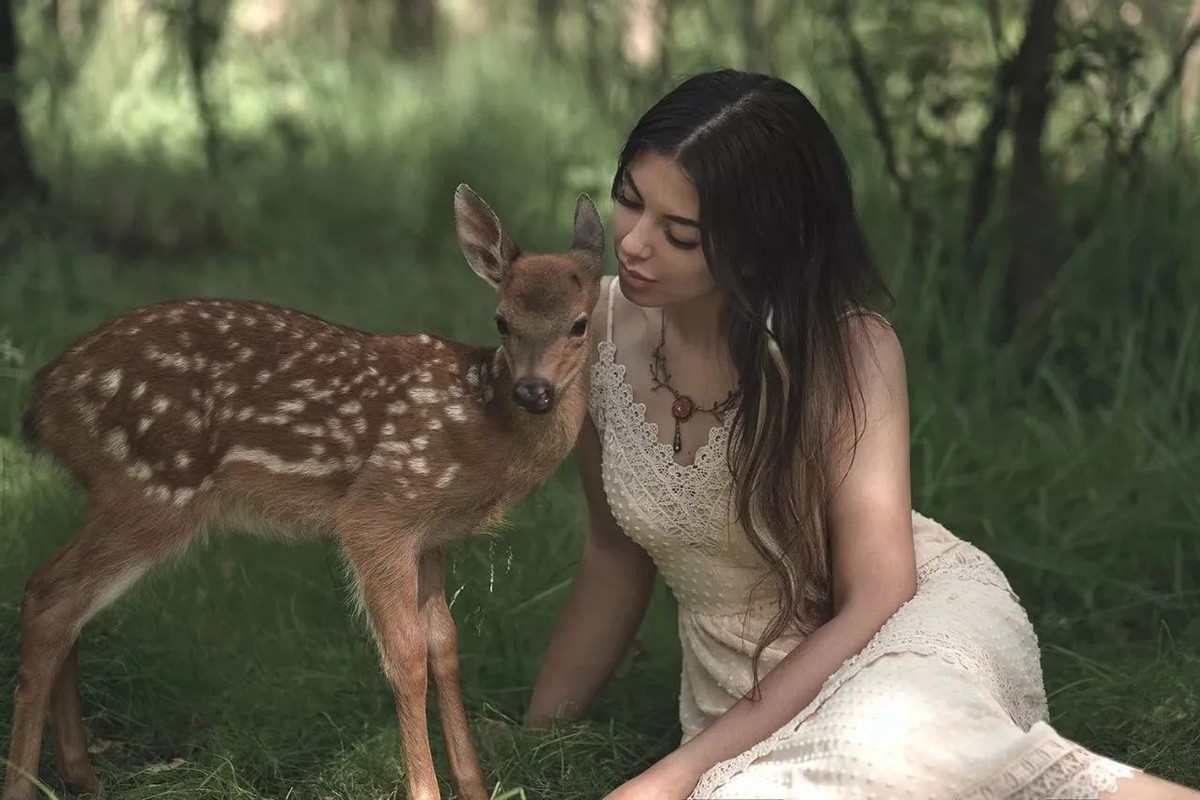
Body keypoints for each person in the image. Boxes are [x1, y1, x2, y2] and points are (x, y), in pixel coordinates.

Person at [523, 69, 1200, 800]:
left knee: (888, 749)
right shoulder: (591, 333)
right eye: (629, 200)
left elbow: (879, 594)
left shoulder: (846, 352)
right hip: (738, 680)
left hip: (901, 625)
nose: (634, 243)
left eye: (678, 233)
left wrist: (676, 773)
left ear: (756, 244)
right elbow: (613, 555)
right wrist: (534, 741)